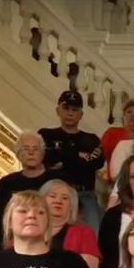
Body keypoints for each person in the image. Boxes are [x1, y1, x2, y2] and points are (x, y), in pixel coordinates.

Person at [38, 90, 104, 230]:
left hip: (84, 194)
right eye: (66, 108)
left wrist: (64, 158)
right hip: (54, 194)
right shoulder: (46, 135)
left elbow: (96, 162)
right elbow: (46, 160)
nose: (70, 113)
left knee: (93, 233)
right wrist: (78, 157)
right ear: (58, 110)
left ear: (81, 115)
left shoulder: (91, 139)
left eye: (74, 109)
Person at [40, 179, 101, 268]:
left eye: (65, 198)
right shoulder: (28, 231)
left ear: (72, 206)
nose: (58, 201)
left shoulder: (84, 233)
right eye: (52, 196)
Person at [0, 131, 56, 206]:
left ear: (43, 153)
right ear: (18, 154)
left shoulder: (57, 180)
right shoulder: (6, 184)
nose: (31, 153)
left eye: (35, 149)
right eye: (26, 149)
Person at [100, 99, 134, 170]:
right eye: (129, 112)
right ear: (123, 116)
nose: (133, 114)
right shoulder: (111, 133)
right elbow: (101, 157)